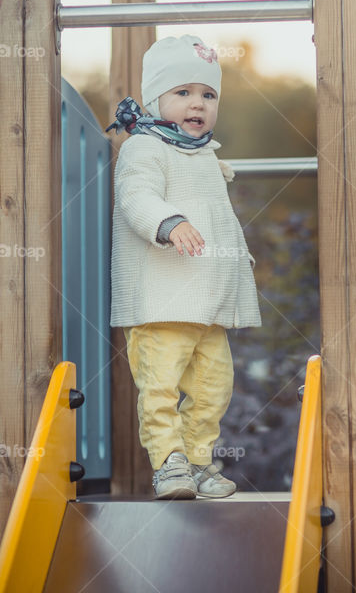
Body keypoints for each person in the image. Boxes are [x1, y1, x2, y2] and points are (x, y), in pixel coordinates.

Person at [107, 34, 261, 500]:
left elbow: (220, 221)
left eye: (208, 95)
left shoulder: (202, 156)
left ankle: (197, 462)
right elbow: (136, 197)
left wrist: (238, 260)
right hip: (160, 303)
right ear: (156, 99)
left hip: (207, 307)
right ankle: (169, 463)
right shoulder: (144, 149)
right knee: (160, 388)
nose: (198, 104)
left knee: (214, 390)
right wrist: (168, 222)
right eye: (183, 93)